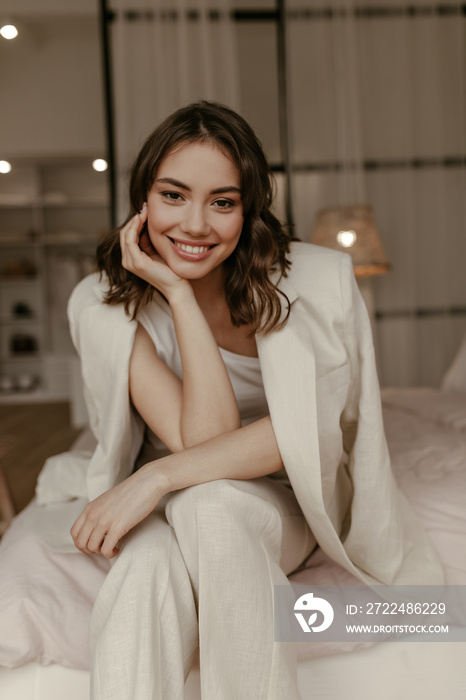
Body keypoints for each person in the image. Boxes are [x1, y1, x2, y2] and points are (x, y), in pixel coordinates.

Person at [54, 101, 441, 699]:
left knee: (210, 506)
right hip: (173, 493)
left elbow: (301, 433)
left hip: (279, 495)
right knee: (144, 565)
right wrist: (179, 297)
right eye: (174, 196)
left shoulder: (318, 281)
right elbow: (203, 445)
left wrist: (152, 480)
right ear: (143, 201)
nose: (196, 225)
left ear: (249, 207)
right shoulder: (101, 301)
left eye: (223, 202)